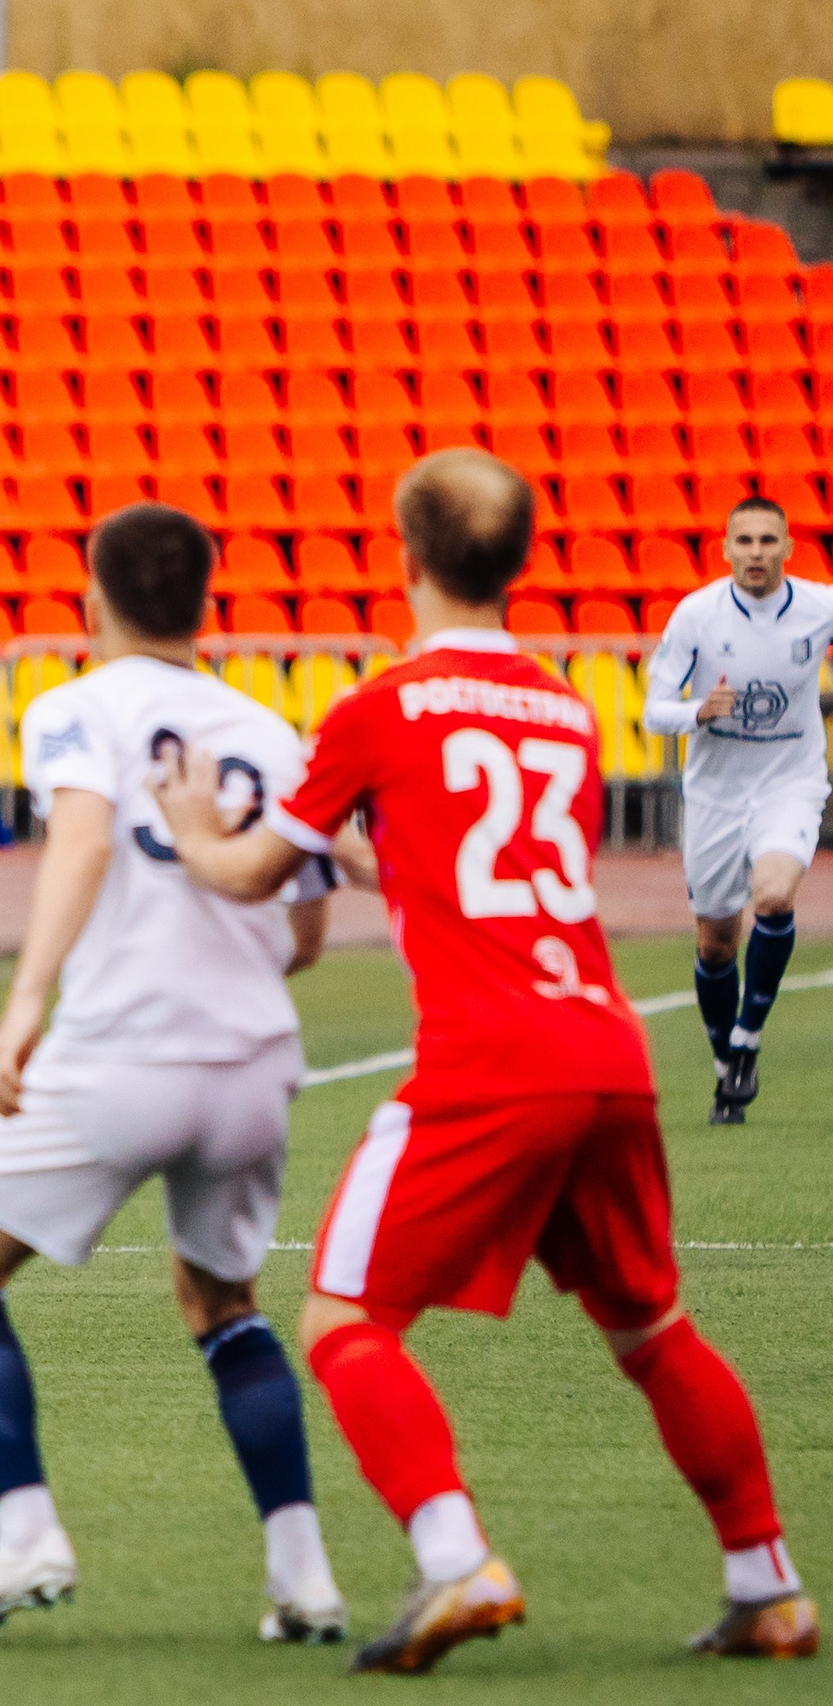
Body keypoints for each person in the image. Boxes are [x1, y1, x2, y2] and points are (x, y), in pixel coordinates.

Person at [154, 450, 816, 1672]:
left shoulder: (378, 707)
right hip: (606, 1045)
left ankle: (457, 1559)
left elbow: (256, 873)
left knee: (345, 1317)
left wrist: (195, 827)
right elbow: (467, 855)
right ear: (517, 567)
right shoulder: (563, 707)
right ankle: (765, 1580)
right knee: (652, 1324)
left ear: (402, 560)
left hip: (491, 1054)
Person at [0, 504, 347, 1643]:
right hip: (253, 1060)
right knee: (223, 1303)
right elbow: (304, 932)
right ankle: (302, 1576)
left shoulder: (73, 705)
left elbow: (84, 838)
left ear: (91, 599)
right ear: (207, 600)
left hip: (120, 1049)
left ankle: (25, 1530)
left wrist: (22, 1003)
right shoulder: (271, 728)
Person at [640, 496, 833, 1123]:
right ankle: (727, 1064)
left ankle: (748, 1038)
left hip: (791, 782)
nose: (756, 553)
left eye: (767, 541)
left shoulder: (818, 607)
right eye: (744, 542)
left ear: (787, 549)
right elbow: (653, 708)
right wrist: (696, 712)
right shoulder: (697, 615)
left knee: (774, 896)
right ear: (725, 549)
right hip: (717, 794)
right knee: (717, 943)